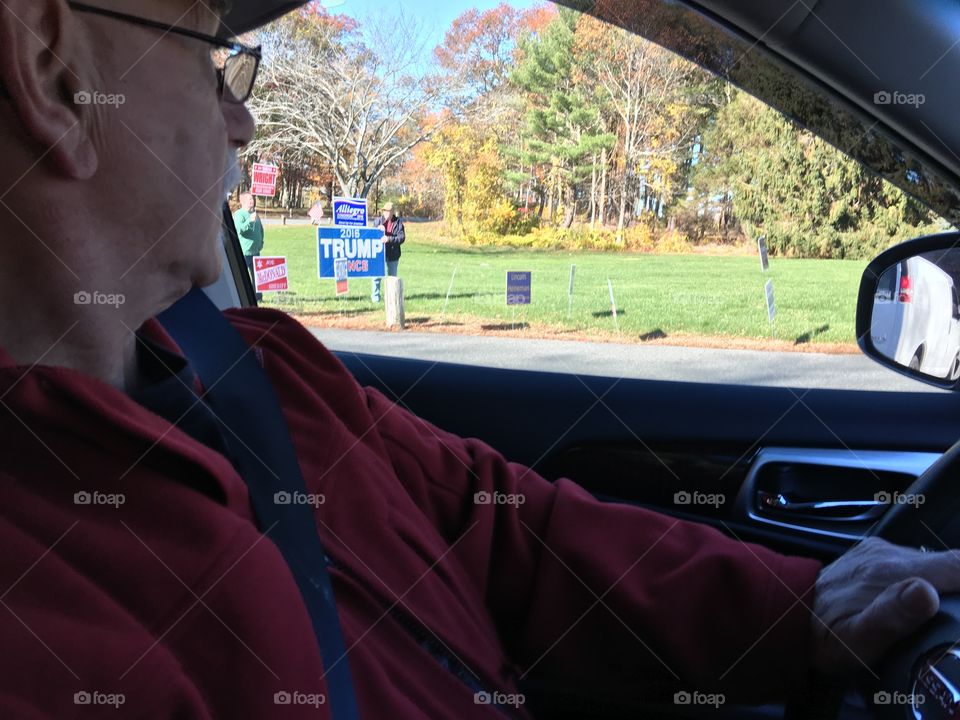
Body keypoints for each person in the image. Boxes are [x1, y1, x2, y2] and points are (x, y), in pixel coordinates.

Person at [0, 1, 955, 717]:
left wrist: (796, 608)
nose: (240, 118)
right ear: (49, 70)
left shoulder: (266, 364)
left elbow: (501, 526)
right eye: (211, 59)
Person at [371, 202, 405, 302]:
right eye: (385, 211)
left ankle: (391, 298)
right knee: (376, 276)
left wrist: (389, 239)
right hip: (379, 254)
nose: (387, 213)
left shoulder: (398, 223)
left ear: (393, 212)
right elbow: (371, 235)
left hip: (393, 254)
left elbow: (401, 238)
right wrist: (377, 230)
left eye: (389, 211)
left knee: (392, 278)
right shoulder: (378, 221)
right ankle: (375, 298)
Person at [233, 191, 264, 300]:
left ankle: (258, 297)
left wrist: (261, 242)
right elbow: (239, 229)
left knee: (257, 277)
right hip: (245, 252)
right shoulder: (239, 214)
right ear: (243, 201)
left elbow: (260, 229)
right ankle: (240, 297)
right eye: (249, 199)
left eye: (252, 198)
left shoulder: (255, 214)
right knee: (241, 277)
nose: (252, 200)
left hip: (256, 252)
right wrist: (250, 221)